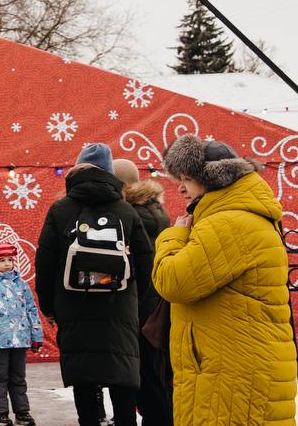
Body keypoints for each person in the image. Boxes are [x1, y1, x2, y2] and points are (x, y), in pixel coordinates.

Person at [153, 135, 297, 425]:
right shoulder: (235, 217)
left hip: (232, 372)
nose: (180, 188)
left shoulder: (228, 223)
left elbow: (173, 281)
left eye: (187, 179)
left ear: (212, 179)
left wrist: (173, 237)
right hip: (230, 366)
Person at [34, 143, 153, 426]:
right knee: (122, 378)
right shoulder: (126, 211)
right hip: (120, 309)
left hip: (73, 307)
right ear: (110, 174)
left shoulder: (60, 210)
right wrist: (138, 306)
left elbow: (45, 264)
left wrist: (49, 308)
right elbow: (147, 264)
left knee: (84, 379)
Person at [114, 157, 174, 426]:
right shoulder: (155, 210)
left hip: (139, 304)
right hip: (157, 301)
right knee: (158, 373)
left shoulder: (129, 215)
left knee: (143, 376)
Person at [0, 242, 43, 426]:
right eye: (2, 260)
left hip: (20, 339)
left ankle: (22, 412)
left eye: (10, 260)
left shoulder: (21, 284)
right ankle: (0, 414)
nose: (7, 264)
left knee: (18, 377)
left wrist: (36, 336)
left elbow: (31, 310)